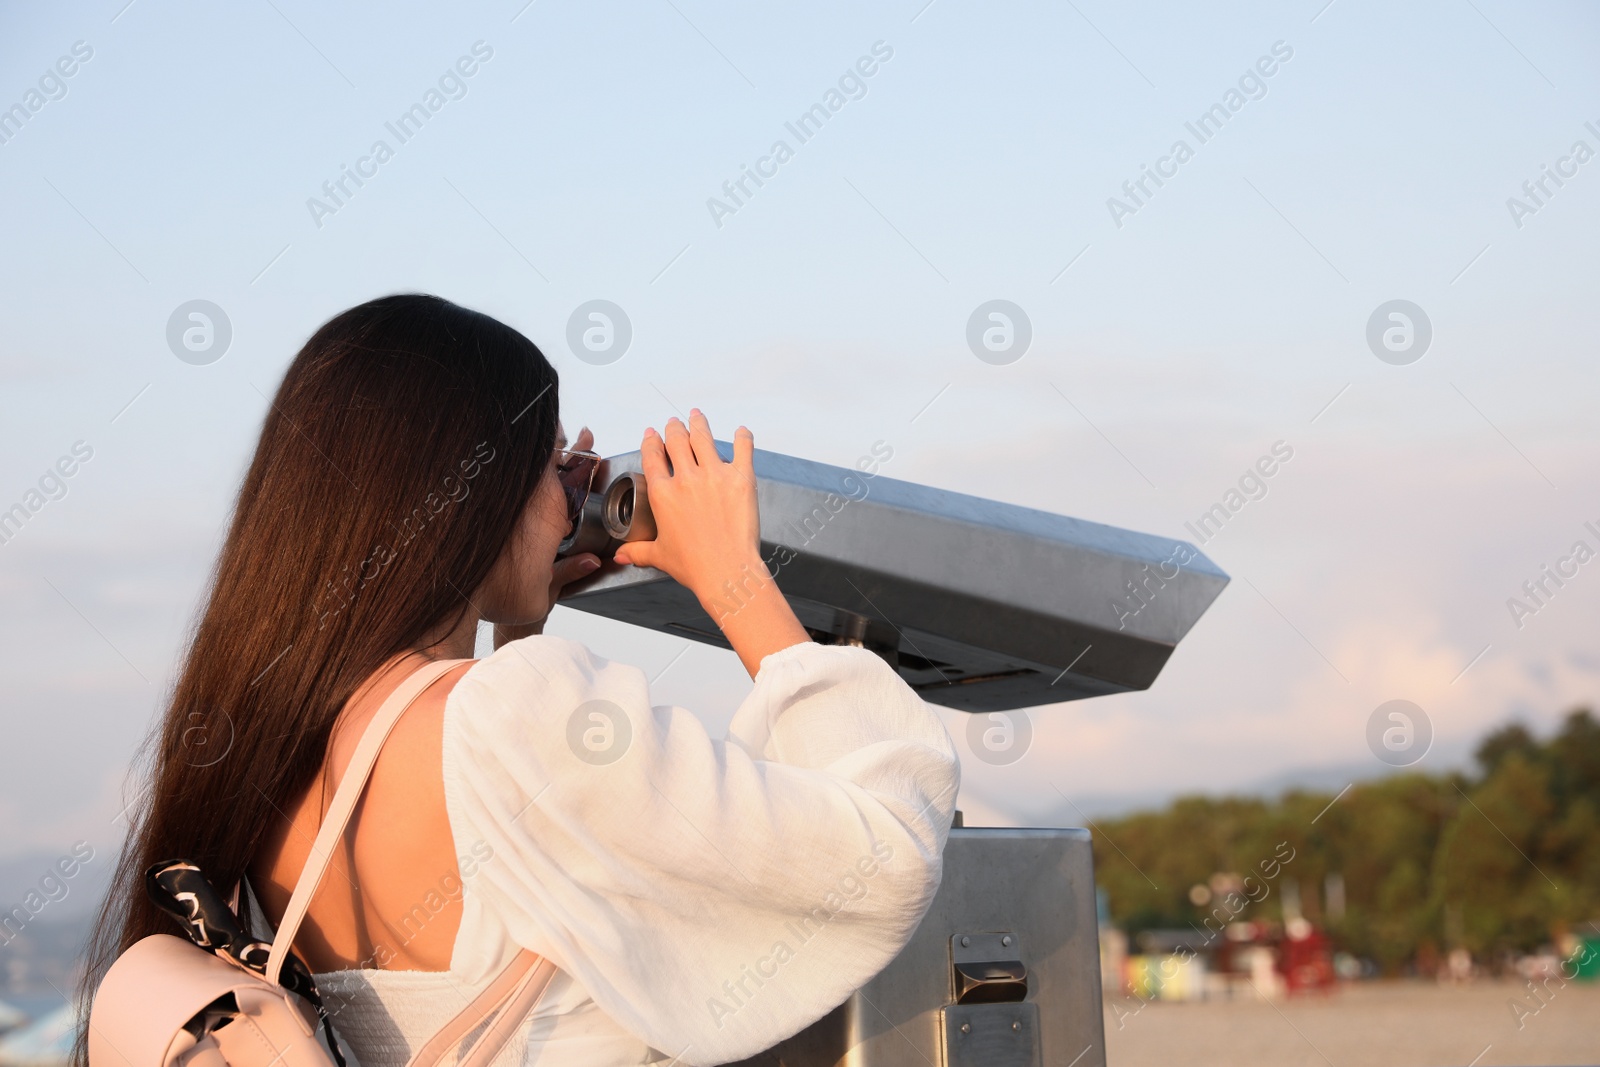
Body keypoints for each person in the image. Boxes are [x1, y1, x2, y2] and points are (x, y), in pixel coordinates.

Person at [77, 294, 960, 1067]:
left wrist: (518, 624)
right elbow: (877, 856)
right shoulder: (517, 715)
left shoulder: (277, 741)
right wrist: (736, 577)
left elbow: (479, 866)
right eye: (546, 466)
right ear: (476, 490)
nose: (566, 500)